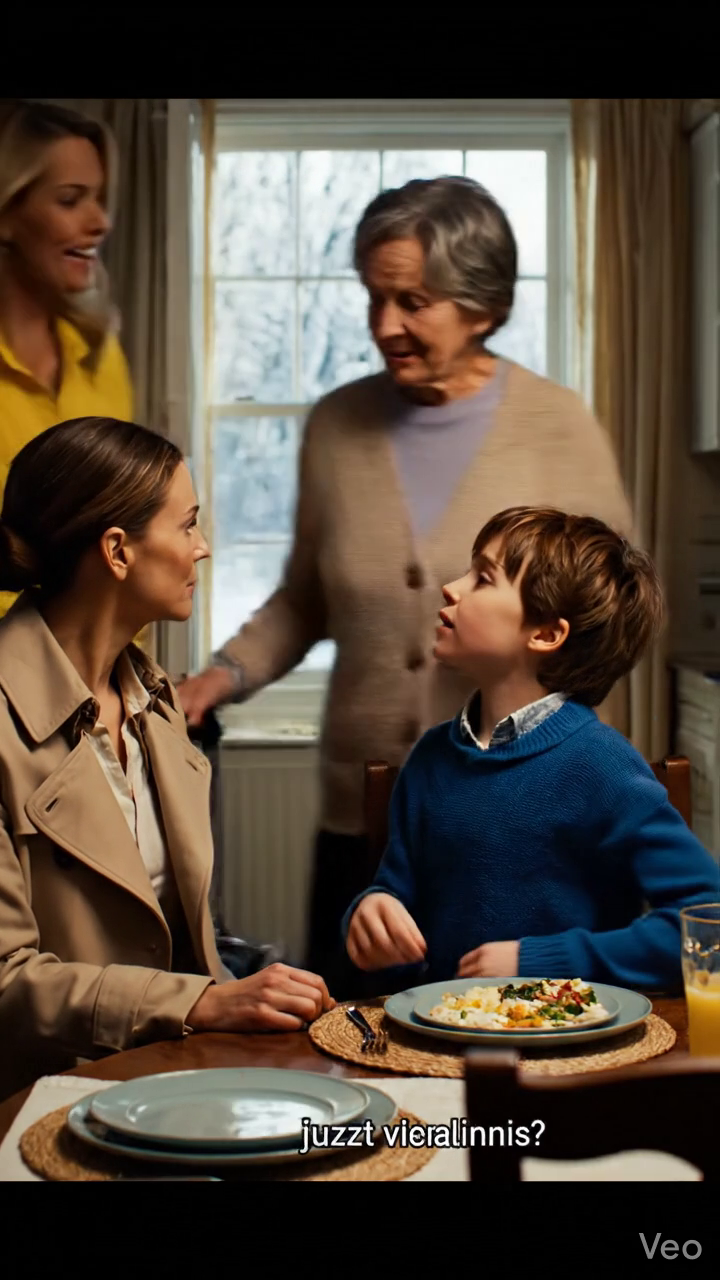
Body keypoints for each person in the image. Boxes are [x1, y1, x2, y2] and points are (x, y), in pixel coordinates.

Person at [177, 176, 634, 997]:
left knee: (505, 1050)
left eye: (413, 301)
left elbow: (612, 615)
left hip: (519, 825)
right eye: (374, 297)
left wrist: (536, 735)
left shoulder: (559, 426)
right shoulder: (336, 426)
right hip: (362, 820)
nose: (385, 325)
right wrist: (223, 676)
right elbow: (303, 598)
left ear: (482, 306)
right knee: (348, 1054)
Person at [0, 417, 333, 1101]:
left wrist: (236, 1005)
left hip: (178, 1082)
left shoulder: (157, 701)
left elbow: (185, 939)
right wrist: (203, 1003)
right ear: (119, 550)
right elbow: (7, 979)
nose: (203, 549)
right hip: (47, 1097)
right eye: (187, 525)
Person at [344, 507, 720, 991]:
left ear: (545, 634)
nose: (451, 588)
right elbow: (399, 914)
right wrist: (372, 914)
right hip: (440, 1048)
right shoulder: (430, 759)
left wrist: (548, 959)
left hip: (570, 1056)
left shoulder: (601, 765)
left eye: (482, 578)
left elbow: (707, 926)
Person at [0, 100, 133, 621]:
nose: (100, 221)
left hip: (99, 681)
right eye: (71, 199)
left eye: (99, 199)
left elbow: (119, 539)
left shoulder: (102, 359)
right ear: (8, 213)